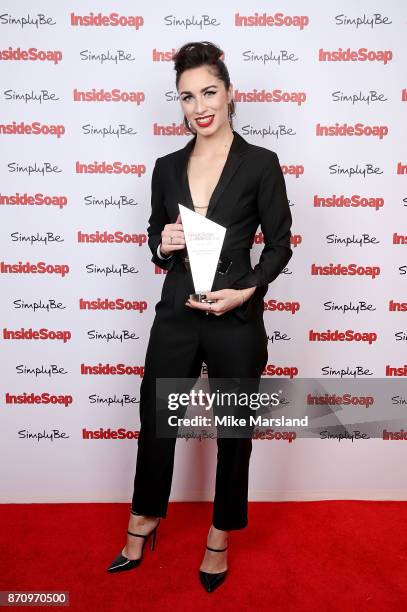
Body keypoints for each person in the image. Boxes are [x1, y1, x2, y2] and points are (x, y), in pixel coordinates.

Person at [107, 41, 293, 592]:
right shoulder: (166, 168)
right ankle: (144, 518)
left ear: (230, 93)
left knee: (235, 434)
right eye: (187, 96)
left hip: (236, 315)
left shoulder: (261, 163)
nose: (198, 106)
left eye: (208, 92)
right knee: (155, 420)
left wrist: (248, 292)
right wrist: (162, 244)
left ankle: (220, 534)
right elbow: (152, 238)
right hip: (178, 312)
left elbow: (280, 245)